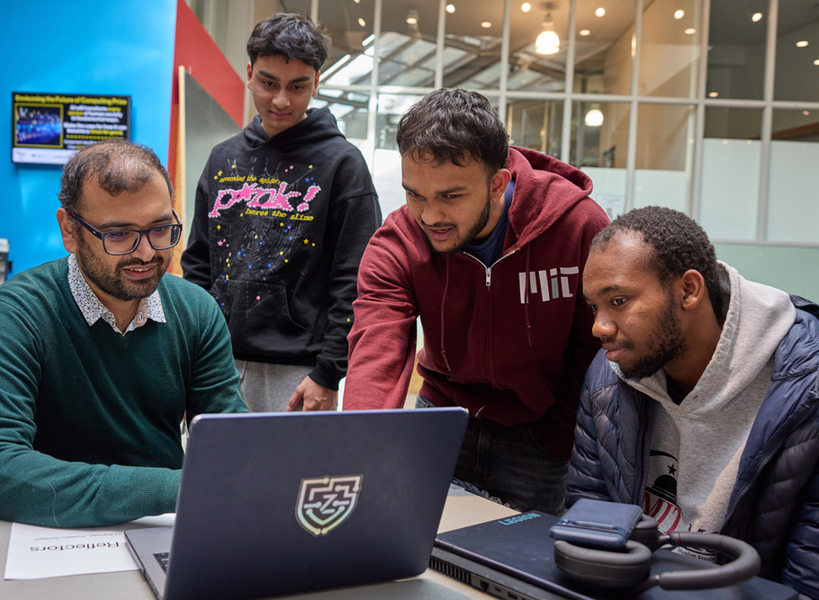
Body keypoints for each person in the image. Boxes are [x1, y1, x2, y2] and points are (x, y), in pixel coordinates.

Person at [0, 139, 247, 528]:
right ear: (70, 230)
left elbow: (230, 447)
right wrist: (180, 488)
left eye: (160, 228)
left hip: (160, 530)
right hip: (43, 531)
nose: (145, 253)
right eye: (119, 235)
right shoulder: (14, 316)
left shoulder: (197, 311)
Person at [343, 89, 610, 515]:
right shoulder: (397, 243)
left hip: (538, 431)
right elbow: (377, 350)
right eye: (415, 194)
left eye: (451, 196)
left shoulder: (577, 227)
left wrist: (559, 436)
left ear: (497, 183)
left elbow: (594, 346)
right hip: (441, 419)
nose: (430, 216)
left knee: (521, 566)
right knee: (426, 551)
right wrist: (361, 448)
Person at [569, 206, 819, 597]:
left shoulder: (808, 391)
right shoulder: (609, 373)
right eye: (593, 307)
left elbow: (807, 580)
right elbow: (587, 526)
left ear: (688, 290)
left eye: (618, 301)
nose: (598, 327)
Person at [181, 13, 381, 413]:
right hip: (219, 363)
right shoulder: (223, 158)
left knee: (288, 478)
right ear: (250, 74)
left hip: (300, 373)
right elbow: (199, 264)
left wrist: (328, 373)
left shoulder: (343, 164)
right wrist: (196, 354)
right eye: (269, 83)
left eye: (298, 86)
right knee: (218, 476)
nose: (281, 100)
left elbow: (355, 280)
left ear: (317, 82)